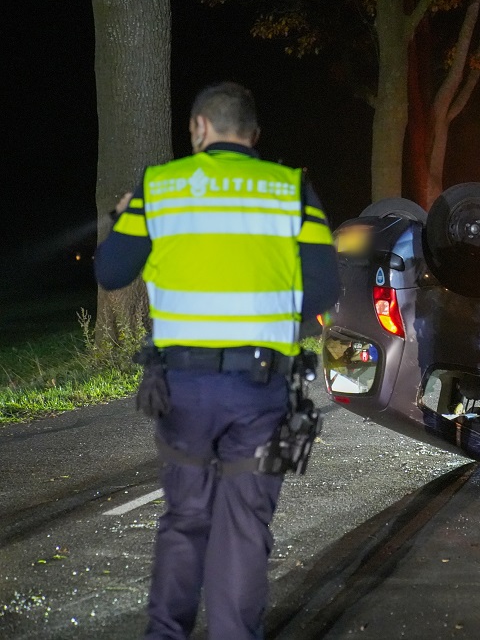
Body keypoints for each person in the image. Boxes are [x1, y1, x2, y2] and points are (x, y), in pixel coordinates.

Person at [94, 81, 339, 639]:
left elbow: (111, 273)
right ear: (253, 136)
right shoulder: (291, 189)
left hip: (181, 390)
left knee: (185, 519)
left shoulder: (159, 188)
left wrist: (121, 217)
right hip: (260, 390)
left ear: (200, 129)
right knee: (245, 528)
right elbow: (323, 291)